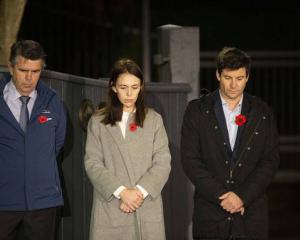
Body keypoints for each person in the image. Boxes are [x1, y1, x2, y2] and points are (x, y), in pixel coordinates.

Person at [181, 47, 280, 240]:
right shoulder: (197, 111)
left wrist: (242, 197)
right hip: (211, 212)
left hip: (250, 213)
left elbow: (270, 160)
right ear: (218, 75)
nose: (234, 85)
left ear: (248, 77)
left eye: (240, 78)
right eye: (228, 77)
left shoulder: (262, 112)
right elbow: (190, 159)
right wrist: (222, 196)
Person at [84, 58, 171, 240]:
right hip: (111, 206)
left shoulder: (153, 120)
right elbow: (92, 163)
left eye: (135, 87)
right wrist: (122, 192)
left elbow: (163, 162)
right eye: (123, 87)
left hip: (145, 205)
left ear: (141, 87)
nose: (129, 94)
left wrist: (137, 193)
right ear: (113, 87)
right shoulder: (98, 121)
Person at [0, 40, 66, 240]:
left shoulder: (52, 101)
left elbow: (57, 143)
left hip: (43, 205)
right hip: (3, 202)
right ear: (11, 68)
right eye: (23, 70)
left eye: (35, 71)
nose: (29, 78)